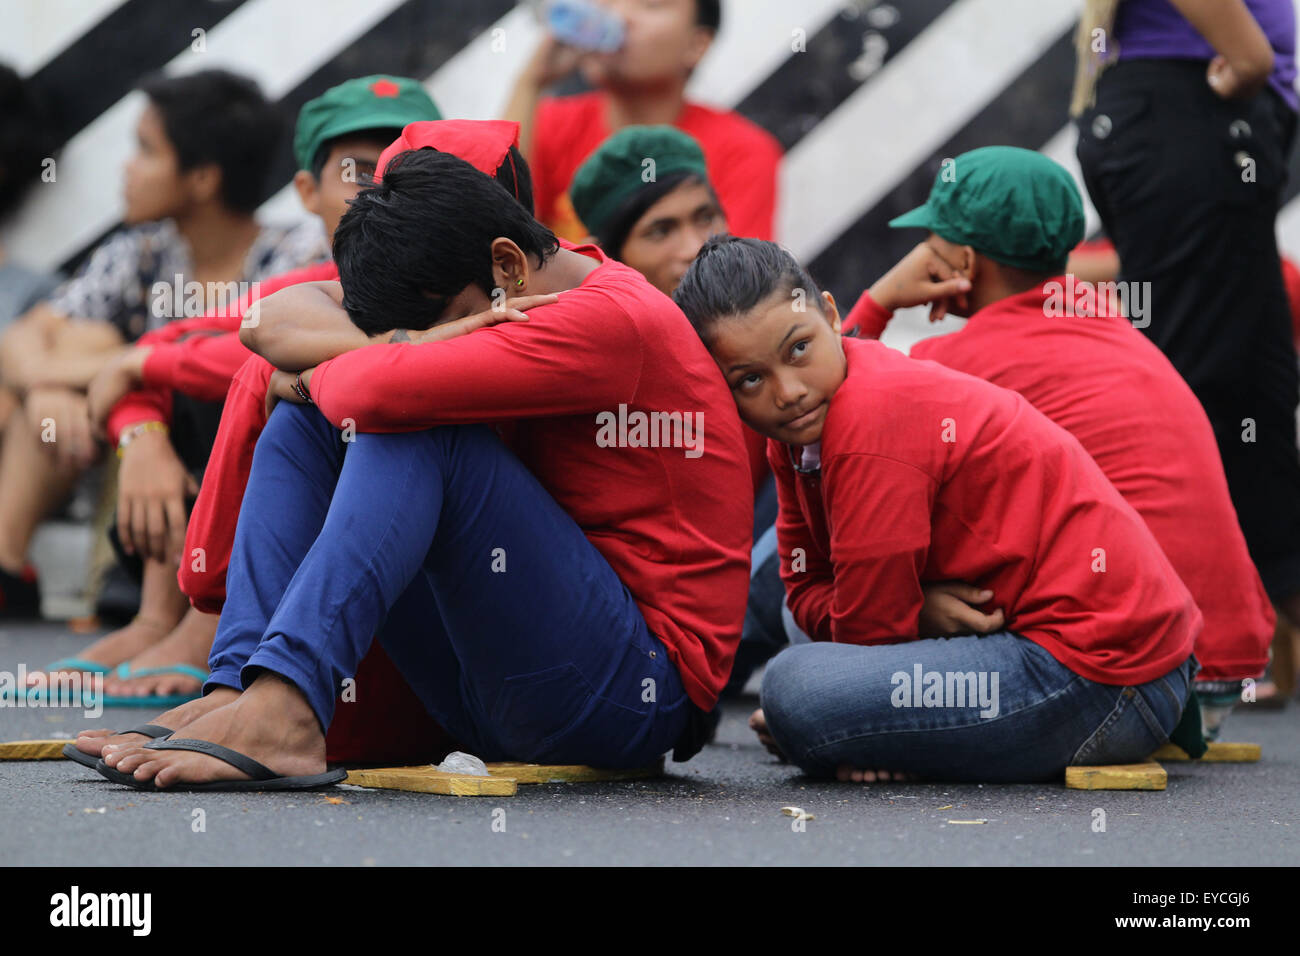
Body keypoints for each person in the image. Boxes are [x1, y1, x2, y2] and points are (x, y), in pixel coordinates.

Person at [91, 147, 751, 790]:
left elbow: (365, 391)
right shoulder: (456, 271)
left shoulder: (611, 319)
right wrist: (403, 344)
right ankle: (239, 689)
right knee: (312, 421)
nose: (420, 344)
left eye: (442, 325)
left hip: (630, 695)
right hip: (488, 682)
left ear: (507, 264)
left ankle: (287, 706)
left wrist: (345, 367)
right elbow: (268, 323)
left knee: (412, 424)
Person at [673, 236, 1200, 783]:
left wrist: (891, 624)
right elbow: (804, 587)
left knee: (795, 691)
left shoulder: (870, 417)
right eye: (751, 380)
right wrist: (912, 610)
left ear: (830, 315)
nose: (788, 392)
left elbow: (865, 637)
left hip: (1103, 679)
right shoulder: (796, 435)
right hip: (1099, 664)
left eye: (798, 349)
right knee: (799, 652)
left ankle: (875, 740)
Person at [22, 76, 441, 710]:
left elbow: (218, 351)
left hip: (409, 562)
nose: (381, 187)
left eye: (403, 167)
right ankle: (164, 618)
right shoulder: (297, 270)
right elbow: (163, 345)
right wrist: (142, 435)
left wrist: (139, 367)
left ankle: (209, 623)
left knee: (268, 385)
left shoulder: (437, 278)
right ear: (306, 190)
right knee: (192, 383)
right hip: (227, 511)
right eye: (358, 170)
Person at [841, 146, 1274, 741]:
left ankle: (713, 665)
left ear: (962, 257)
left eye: (933, 241)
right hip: (1222, 667)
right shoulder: (1110, 325)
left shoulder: (957, 362)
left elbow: (828, 418)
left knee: (811, 605)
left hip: (1127, 664)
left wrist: (881, 298)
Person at [0, 69, 322, 623]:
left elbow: (239, 366)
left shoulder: (290, 257)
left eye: (146, 151)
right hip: (126, 448)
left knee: (94, 349)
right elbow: (20, 337)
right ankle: (6, 567)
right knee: (80, 340)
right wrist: (49, 385)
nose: (127, 167)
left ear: (201, 178)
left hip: (233, 467)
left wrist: (126, 368)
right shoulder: (144, 251)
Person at [1073, 0, 1300, 698]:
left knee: (1244, 385)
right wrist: (1255, 59)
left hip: (1171, 119)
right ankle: (1163, 649)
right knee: (1216, 391)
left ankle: (1264, 652)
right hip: (1193, 112)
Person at [504, 0, 781, 242]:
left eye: (651, 4)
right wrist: (530, 83)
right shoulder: (549, 123)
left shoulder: (742, 152)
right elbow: (498, 226)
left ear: (697, 45)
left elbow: (737, 290)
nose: (619, 15)